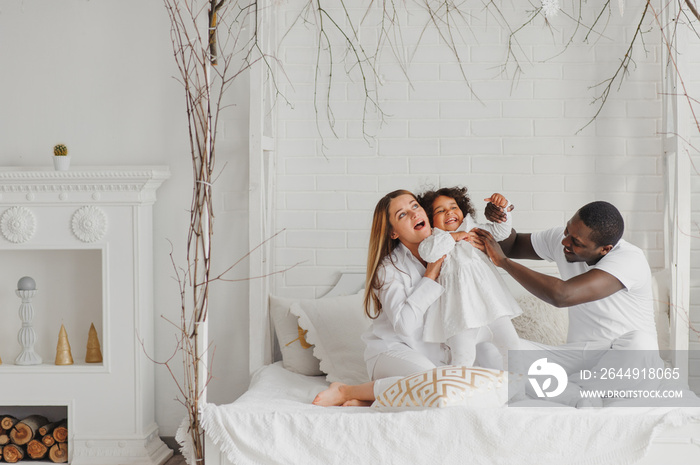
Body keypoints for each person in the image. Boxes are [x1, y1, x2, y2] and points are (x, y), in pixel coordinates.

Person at [313, 189, 509, 407]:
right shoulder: (388, 269)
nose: (414, 214)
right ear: (393, 233)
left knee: (490, 375)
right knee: (434, 382)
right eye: (402, 215)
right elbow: (405, 327)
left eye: (415, 206)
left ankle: (375, 398)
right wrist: (431, 274)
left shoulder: (453, 250)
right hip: (394, 350)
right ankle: (348, 391)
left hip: (437, 356)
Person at [473, 200, 662, 404]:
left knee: (641, 344)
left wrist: (503, 263)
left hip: (624, 364)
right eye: (566, 231)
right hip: (576, 359)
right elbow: (512, 245)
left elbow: (562, 295)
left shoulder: (629, 259)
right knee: (487, 346)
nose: (565, 242)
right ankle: (575, 393)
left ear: (605, 250)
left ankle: (566, 390)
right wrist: (502, 220)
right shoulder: (565, 240)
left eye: (577, 243)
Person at [416, 187, 521, 368]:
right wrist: (454, 237)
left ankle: (517, 391)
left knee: (513, 347)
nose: (449, 212)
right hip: (460, 314)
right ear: (429, 219)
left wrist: (503, 208)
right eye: (440, 211)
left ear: (463, 211)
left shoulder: (474, 229)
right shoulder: (434, 241)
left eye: (453, 207)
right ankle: (460, 393)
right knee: (463, 358)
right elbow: (428, 253)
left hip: (491, 305)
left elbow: (501, 232)